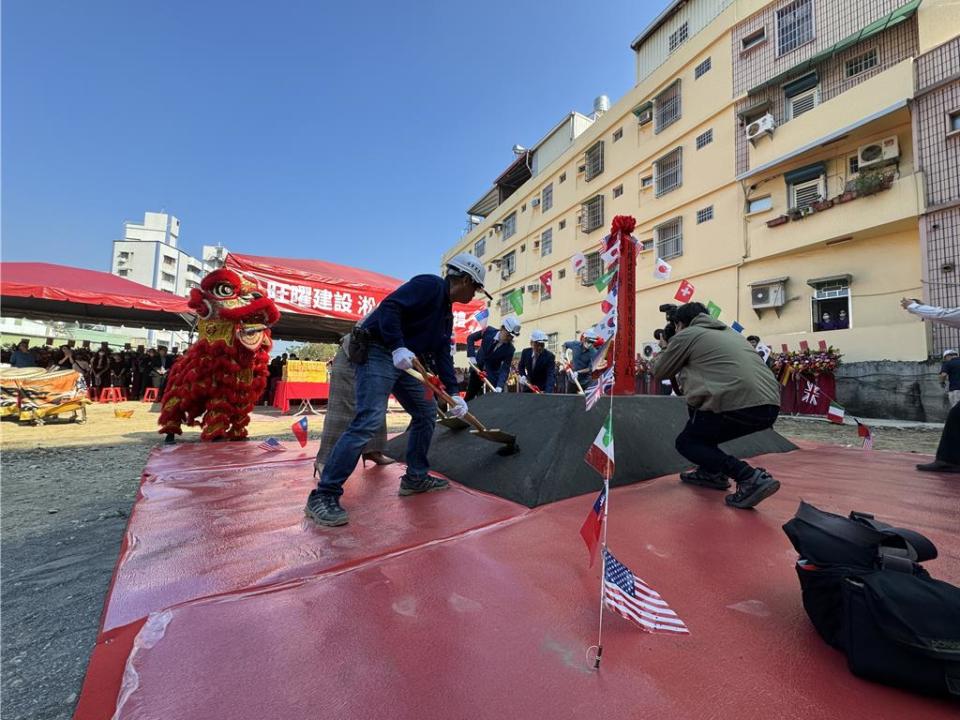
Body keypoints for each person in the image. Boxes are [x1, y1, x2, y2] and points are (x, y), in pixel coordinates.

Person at [304, 252, 488, 526]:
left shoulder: (445, 315)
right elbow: (390, 307)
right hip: (379, 349)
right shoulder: (429, 285)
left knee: (426, 413)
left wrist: (454, 393)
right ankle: (324, 494)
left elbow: (441, 354)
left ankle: (415, 476)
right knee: (368, 419)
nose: (475, 294)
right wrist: (397, 344)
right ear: (463, 279)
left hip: (405, 359)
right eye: (475, 287)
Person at [653, 302, 782, 509]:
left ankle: (749, 477)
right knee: (702, 431)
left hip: (738, 404)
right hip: (768, 406)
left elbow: (659, 371)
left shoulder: (689, 334)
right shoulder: (730, 333)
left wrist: (666, 346)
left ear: (680, 324)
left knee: (688, 443)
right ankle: (711, 472)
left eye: (675, 326)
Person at [314, 332, 396, 477]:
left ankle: (373, 450)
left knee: (376, 406)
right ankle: (324, 460)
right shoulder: (394, 311)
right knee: (342, 408)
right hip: (352, 355)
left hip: (375, 360)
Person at [902, 297, 960, 472]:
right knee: (956, 416)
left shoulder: (948, 364)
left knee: (956, 415)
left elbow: (943, 314)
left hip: (954, 389)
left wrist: (913, 306)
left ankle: (948, 460)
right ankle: (949, 459)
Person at [464, 317, 520, 400]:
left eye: (512, 337)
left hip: (492, 375)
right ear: (502, 328)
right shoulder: (488, 331)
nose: (509, 339)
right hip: (477, 369)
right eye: (508, 335)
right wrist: (472, 356)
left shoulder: (510, 349)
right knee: (469, 397)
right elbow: (471, 338)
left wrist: (499, 386)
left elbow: (505, 368)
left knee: (496, 400)